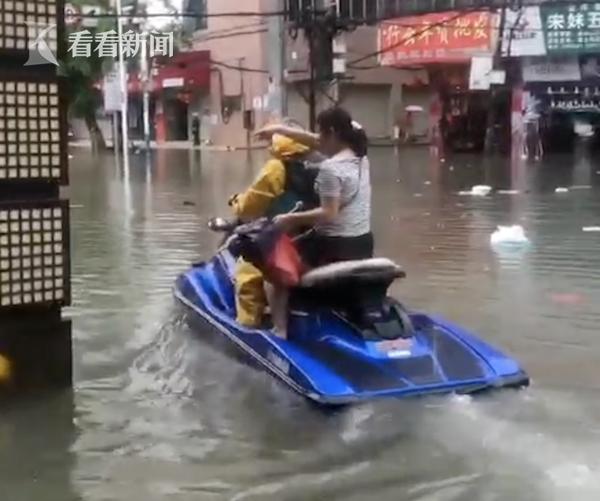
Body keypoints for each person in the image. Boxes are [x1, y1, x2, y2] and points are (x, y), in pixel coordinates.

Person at [256, 107, 373, 338]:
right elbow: (317, 141)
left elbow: (329, 213)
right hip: (363, 244)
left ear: (332, 132)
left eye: (321, 134)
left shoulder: (331, 168)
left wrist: (289, 219)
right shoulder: (360, 155)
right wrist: (280, 129)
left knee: (275, 266)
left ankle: (279, 330)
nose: (317, 140)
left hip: (333, 247)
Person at [229, 128, 321, 327]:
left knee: (248, 269)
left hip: (284, 239)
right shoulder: (321, 165)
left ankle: (249, 324)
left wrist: (236, 202)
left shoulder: (276, 168)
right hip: (314, 237)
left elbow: (251, 204)